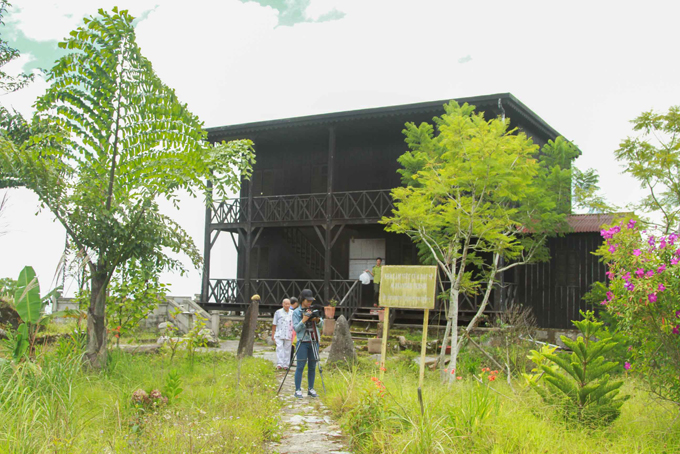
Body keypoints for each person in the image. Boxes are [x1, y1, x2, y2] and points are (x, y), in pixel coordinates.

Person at [292, 289, 324, 398]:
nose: (310, 303)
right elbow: (296, 328)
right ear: (302, 299)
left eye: (311, 300)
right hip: (303, 341)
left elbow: (321, 324)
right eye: (308, 300)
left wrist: (317, 320)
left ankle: (311, 388)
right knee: (300, 365)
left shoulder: (313, 309)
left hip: (314, 340)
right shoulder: (296, 312)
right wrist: (304, 320)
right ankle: (297, 390)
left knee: (312, 366)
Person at [271, 298, 294, 370]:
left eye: (288, 304)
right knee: (279, 348)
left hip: (289, 333)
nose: (287, 305)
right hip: (279, 333)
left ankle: (286, 365)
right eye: (285, 304)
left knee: (287, 349)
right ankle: (279, 363)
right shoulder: (278, 312)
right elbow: (274, 323)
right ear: (283, 304)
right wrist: (273, 334)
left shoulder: (292, 313)